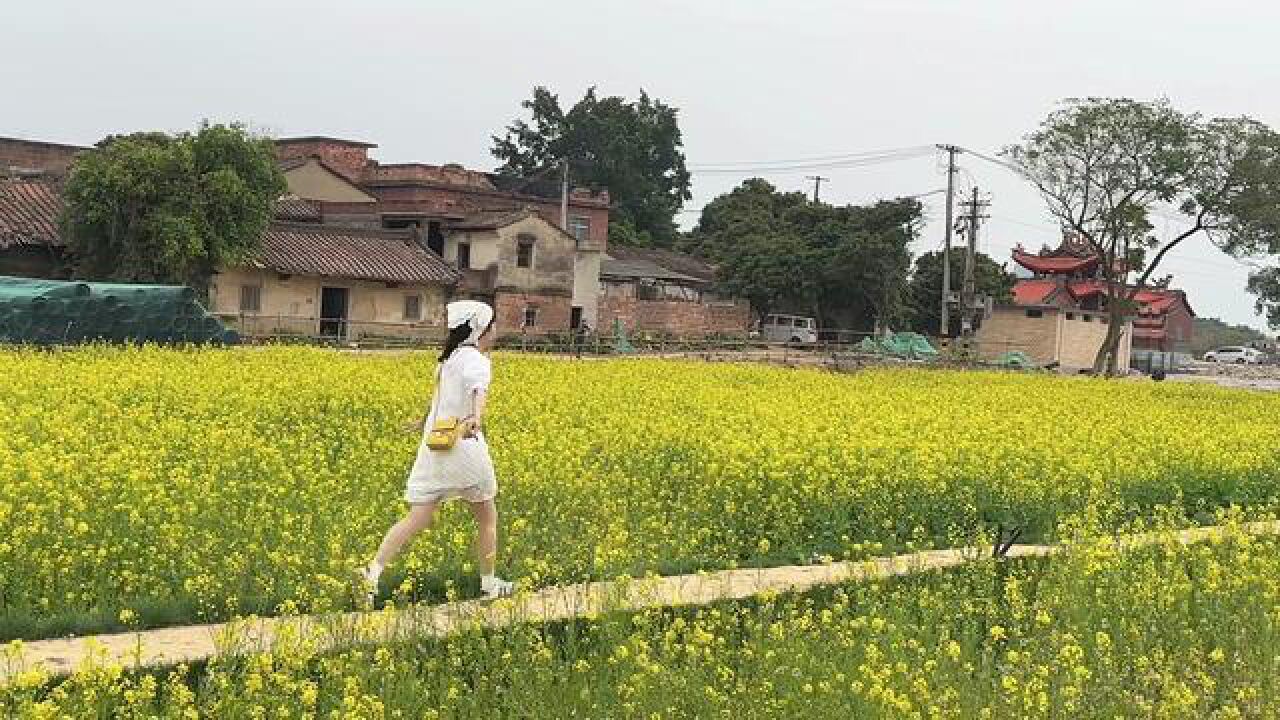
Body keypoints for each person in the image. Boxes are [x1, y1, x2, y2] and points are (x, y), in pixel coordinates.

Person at [361, 300, 514, 602]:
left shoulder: (448, 360)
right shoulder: (476, 360)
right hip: (465, 448)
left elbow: (441, 403)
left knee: (416, 518)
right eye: (491, 326)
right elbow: (478, 390)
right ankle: (489, 583)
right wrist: (475, 418)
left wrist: (421, 423)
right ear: (480, 329)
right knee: (487, 519)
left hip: (436, 449)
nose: (495, 332)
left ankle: (372, 573)